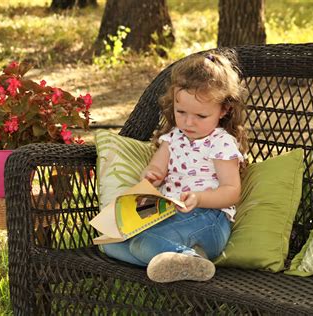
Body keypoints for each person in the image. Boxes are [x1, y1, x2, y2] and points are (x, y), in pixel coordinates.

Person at [102, 51, 248, 283]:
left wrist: (199, 199)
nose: (188, 122)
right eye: (181, 112)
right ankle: (188, 261)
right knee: (110, 244)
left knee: (144, 243)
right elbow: (154, 171)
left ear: (224, 110)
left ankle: (186, 257)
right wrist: (151, 178)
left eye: (200, 115)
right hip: (167, 216)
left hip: (207, 220)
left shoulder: (221, 143)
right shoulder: (173, 138)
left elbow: (232, 191)